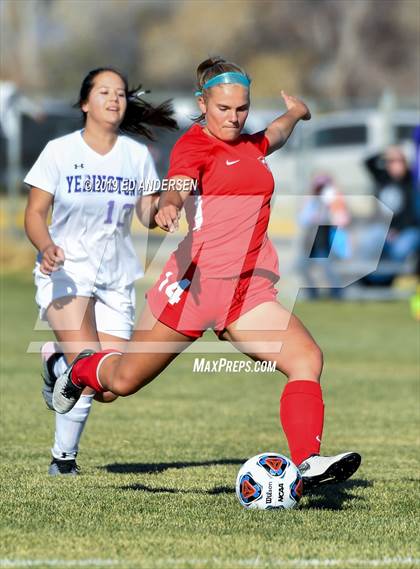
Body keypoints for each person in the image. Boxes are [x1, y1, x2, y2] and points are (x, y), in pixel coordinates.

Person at [51, 57, 361, 490]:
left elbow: (276, 134)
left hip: (247, 290)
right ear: (203, 102)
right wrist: (169, 206)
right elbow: (179, 182)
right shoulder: (194, 146)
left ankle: (306, 462)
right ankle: (83, 368)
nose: (233, 118)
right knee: (121, 382)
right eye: (223, 109)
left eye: (241, 109)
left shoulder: (251, 146)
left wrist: (296, 113)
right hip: (193, 288)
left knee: (307, 359)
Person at [24, 67, 177, 475]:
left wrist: (160, 212)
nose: (114, 99)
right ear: (85, 102)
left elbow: (145, 213)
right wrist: (45, 246)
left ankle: (57, 364)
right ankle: (64, 461)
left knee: (112, 385)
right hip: (67, 273)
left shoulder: (136, 155)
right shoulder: (60, 151)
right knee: (91, 365)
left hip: (116, 280)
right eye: (105, 92)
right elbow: (35, 213)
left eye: (121, 94)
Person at [362, 146, 420, 278]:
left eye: (399, 161)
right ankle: (369, 278)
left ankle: (383, 279)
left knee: (400, 250)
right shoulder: (382, 177)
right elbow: (368, 161)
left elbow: (411, 214)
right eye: (392, 162)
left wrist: (396, 230)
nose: (396, 165)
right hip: (383, 229)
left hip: (406, 229)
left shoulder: (410, 180)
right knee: (368, 242)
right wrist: (386, 152)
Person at [299, 174, 351, 299]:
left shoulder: (336, 202)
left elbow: (342, 220)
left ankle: (337, 293)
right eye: (319, 188)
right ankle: (313, 294)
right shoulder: (312, 203)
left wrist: (330, 206)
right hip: (315, 245)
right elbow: (303, 220)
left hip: (332, 246)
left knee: (324, 262)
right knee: (301, 265)